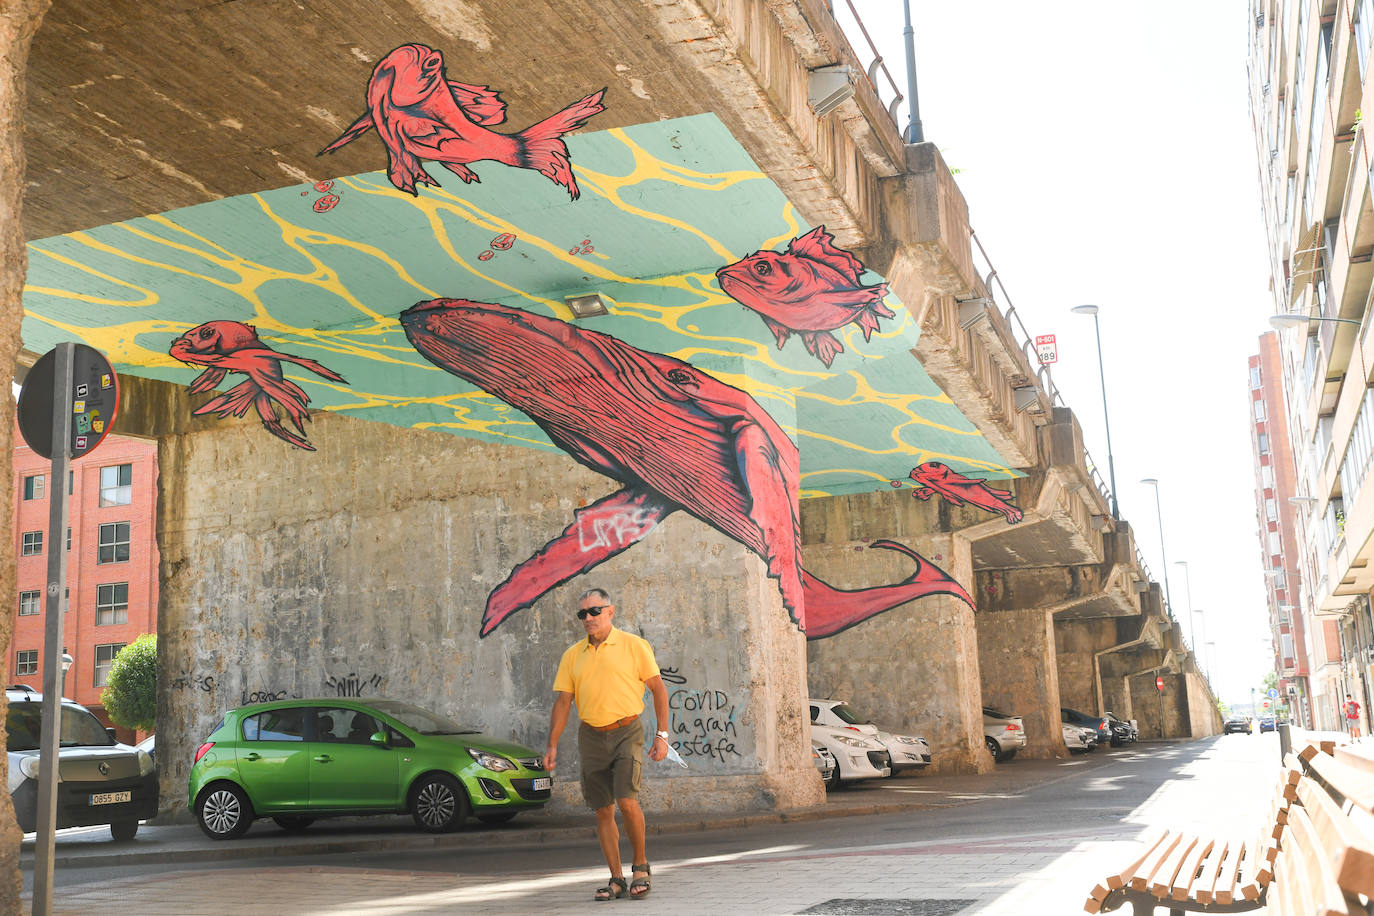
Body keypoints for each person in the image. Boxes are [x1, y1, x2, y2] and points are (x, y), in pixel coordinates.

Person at [545, 588, 670, 901]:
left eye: (594, 611)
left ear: (610, 612)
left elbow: (658, 690)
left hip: (627, 730)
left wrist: (662, 735)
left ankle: (640, 866)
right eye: (582, 614)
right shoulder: (572, 655)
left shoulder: (633, 646)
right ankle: (616, 878)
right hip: (590, 736)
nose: (588, 618)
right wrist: (552, 746)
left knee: (627, 800)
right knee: (603, 810)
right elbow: (563, 703)